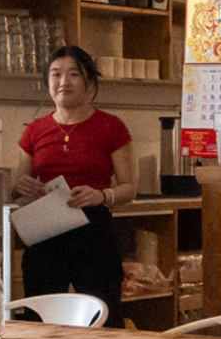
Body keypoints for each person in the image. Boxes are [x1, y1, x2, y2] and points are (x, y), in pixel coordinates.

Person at [9, 43, 135, 322]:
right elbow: (18, 181)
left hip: (94, 232)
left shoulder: (111, 127)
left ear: (89, 82)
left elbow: (130, 188)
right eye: (55, 74)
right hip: (45, 231)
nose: (63, 82)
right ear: (47, 83)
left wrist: (101, 196)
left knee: (104, 318)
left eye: (73, 74)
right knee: (39, 320)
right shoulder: (34, 130)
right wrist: (22, 186)